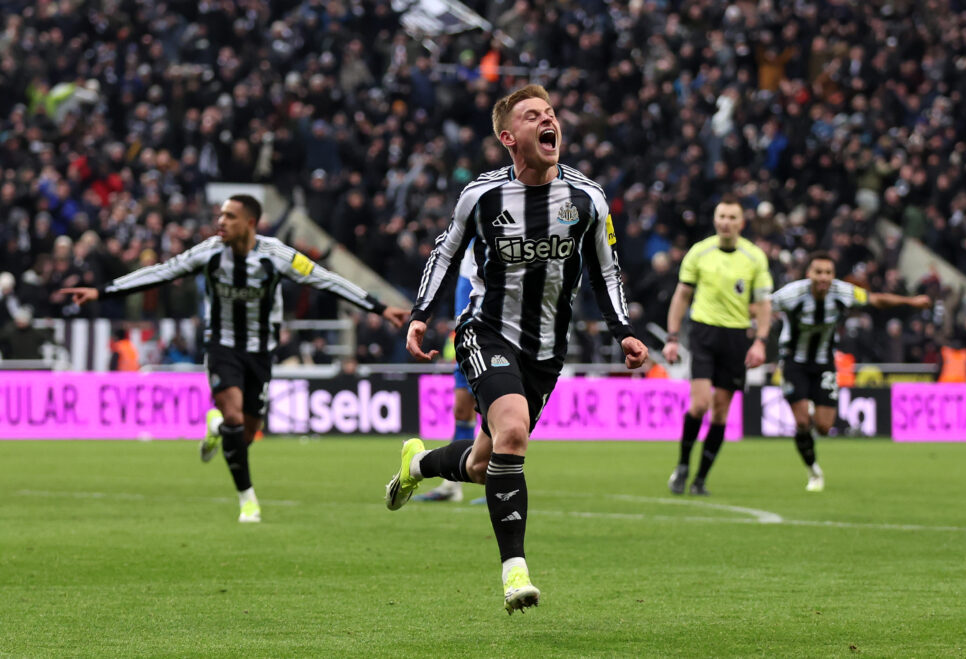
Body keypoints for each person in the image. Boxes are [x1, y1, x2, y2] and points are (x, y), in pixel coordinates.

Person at [385, 84, 649, 613]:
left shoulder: (586, 199)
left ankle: (418, 465)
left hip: (547, 350)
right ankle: (515, 573)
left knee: (487, 463)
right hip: (487, 330)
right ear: (510, 137)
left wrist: (623, 329)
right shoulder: (481, 196)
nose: (549, 120)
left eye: (551, 113)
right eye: (534, 116)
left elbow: (607, 269)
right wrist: (420, 315)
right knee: (513, 433)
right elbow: (444, 254)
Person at [61, 194, 409, 522]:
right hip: (222, 345)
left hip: (260, 349)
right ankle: (247, 498)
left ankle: (217, 428)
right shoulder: (209, 252)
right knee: (233, 415)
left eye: (230, 216)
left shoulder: (276, 255)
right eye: (220, 215)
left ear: (250, 223)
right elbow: (160, 272)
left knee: (247, 429)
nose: (221, 221)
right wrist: (102, 291)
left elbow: (325, 279)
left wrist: (378, 307)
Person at [772, 251, 931, 491]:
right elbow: (760, 306)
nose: (823, 277)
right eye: (818, 272)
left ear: (833, 275)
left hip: (825, 362)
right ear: (809, 274)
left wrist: (911, 302)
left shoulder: (843, 292)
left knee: (824, 428)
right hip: (793, 361)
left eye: (828, 272)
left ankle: (811, 415)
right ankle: (813, 471)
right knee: (802, 421)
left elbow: (876, 300)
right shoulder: (791, 294)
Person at [662, 194, 773, 496]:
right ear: (715, 220)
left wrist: (760, 342)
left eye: (732, 217)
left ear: (742, 222)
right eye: (721, 216)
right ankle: (683, 465)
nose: (726, 222)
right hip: (703, 333)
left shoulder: (754, 258)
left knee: (721, 413)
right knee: (700, 404)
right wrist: (673, 338)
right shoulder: (699, 252)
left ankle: (701, 478)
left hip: (737, 337)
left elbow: (763, 305)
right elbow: (682, 296)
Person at [412, 244, 483, 504]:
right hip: (468, 340)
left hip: (497, 339)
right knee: (462, 409)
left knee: (497, 410)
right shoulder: (467, 258)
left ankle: (502, 483)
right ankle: (452, 484)